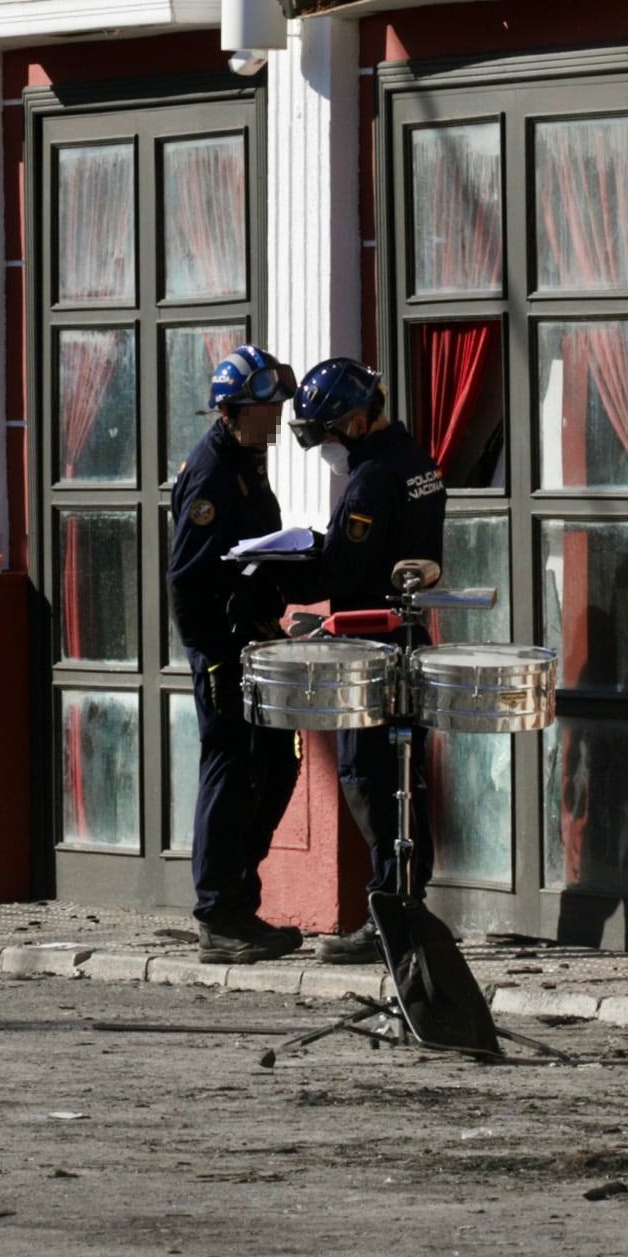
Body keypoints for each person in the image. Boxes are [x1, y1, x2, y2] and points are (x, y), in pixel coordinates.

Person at [286, 356, 446, 963]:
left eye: (326, 434)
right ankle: (410, 903)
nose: (326, 447)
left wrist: (295, 564)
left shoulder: (372, 477)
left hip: (370, 644)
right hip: (407, 642)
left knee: (370, 777)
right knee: (408, 778)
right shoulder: (418, 461)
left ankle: (388, 910)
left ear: (354, 422)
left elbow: (347, 568)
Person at [165, 344, 304, 964]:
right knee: (230, 772)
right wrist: (216, 657)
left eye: (276, 407)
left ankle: (241, 905)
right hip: (225, 651)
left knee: (276, 768)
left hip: (257, 639)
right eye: (264, 408)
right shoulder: (212, 472)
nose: (275, 418)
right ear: (231, 409)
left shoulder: (248, 461)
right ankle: (217, 912)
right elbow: (188, 579)